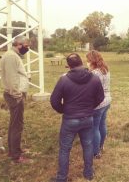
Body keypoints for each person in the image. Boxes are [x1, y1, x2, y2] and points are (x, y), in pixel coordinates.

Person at [50, 53, 104, 182]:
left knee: (65, 149)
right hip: (87, 118)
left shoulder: (64, 80)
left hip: (70, 119)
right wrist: (89, 108)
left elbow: (54, 100)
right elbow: (100, 98)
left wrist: (64, 110)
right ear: (81, 62)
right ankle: (88, 174)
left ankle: (62, 178)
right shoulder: (95, 78)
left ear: (68, 66)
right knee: (88, 145)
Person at [0, 36, 30, 163]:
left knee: (14, 124)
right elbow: (12, 78)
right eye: (26, 46)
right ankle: (16, 156)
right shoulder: (11, 56)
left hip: (13, 94)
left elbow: (15, 75)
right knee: (17, 125)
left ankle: (13, 150)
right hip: (14, 96)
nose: (27, 48)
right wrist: (17, 95)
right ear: (19, 44)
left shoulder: (11, 55)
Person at [86, 50, 111, 158]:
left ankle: (96, 152)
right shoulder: (105, 69)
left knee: (95, 127)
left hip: (98, 103)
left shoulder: (94, 73)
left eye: (87, 60)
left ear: (91, 61)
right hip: (107, 100)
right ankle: (101, 146)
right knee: (102, 124)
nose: (86, 62)